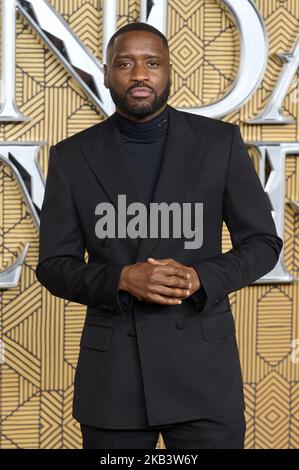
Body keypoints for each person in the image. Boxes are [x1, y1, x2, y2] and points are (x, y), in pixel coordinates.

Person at [35, 22, 283, 449]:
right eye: (125, 64)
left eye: (152, 63)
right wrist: (120, 279)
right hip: (114, 382)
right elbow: (54, 266)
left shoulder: (219, 143)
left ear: (169, 71)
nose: (139, 75)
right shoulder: (72, 157)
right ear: (108, 73)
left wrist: (201, 277)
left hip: (204, 376)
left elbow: (264, 243)